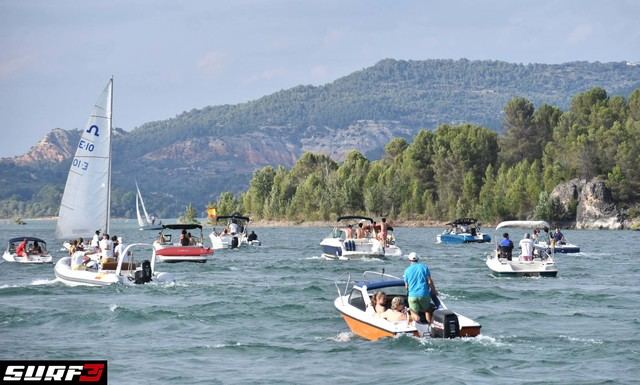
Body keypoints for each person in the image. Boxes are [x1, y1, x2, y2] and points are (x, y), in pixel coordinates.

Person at [404, 252, 438, 324]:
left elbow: (406, 286)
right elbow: (429, 281)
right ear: (418, 259)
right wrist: (433, 291)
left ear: (409, 260)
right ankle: (430, 325)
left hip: (412, 295)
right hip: (424, 294)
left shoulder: (407, 271)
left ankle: (418, 323)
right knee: (427, 310)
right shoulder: (424, 267)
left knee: (413, 312)